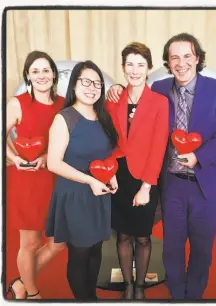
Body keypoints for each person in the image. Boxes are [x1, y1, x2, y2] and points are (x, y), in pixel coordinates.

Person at [107, 33, 216, 299]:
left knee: (201, 247)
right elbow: (134, 100)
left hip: (205, 182)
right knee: (172, 248)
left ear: (197, 58)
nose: (181, 63)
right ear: (167, 61)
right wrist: (117, 89)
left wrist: (199, 156)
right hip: (172, 183)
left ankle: (194, 295)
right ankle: (178, 295)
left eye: (187, 56)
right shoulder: (158, 89)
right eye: (174, 57)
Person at [45, 60, 119, 301]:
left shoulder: (102, 116)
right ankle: (83, 300)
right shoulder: (65, 118)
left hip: (99, 194)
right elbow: (53, 163)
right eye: (86, 81)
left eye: (97, 83)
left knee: (96, 248)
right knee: (79, 253)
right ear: (74, 85)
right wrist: (89, 181)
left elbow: (106, 153)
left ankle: (92, 298)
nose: (92, 87)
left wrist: (112, 175)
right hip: (76, 195)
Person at [106, 42, 169, 300]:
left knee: (143, 237)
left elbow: (159, 146)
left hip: (146, 175)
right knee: (122, 235)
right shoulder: (113, 100)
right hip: (119, 175)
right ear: (123, 68)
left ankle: (140, 286)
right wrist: (108, 171)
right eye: (129, 64)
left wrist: (146, 186)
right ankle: (128, 285)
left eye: (140, 65)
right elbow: (108, 139)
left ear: (149, 68)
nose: (134, 70)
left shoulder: (159, 102)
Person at [6, 51, 65, 299]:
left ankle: (20, 283)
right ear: (28, 76)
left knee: (60, 241)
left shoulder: (64, 103)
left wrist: (48, 157)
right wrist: (13, 158)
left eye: (45, 70)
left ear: (54, 73)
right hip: (27, 180)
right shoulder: (17, 103)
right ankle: (32, 293)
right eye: (35, 71)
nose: (41, 75)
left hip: (56, 178)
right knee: (29, 244)